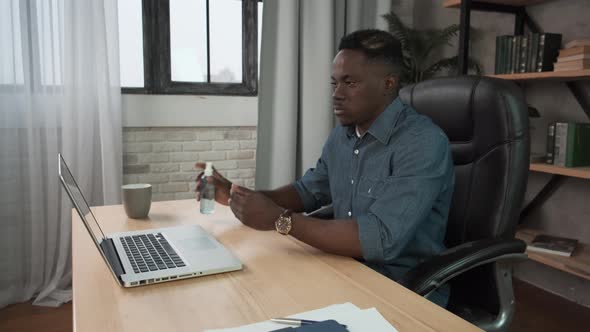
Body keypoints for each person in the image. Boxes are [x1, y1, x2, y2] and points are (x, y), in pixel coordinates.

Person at [196, 29, 454, 306]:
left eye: (349, 82)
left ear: (388, 84)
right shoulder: (342, 136)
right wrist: (236, 196)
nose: (337, 94)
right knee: (245, 294)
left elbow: (379, 239)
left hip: (404, 291)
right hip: (343, 271)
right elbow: (307, 191)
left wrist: (280, 220)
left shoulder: (422, 143)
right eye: (334, 83)